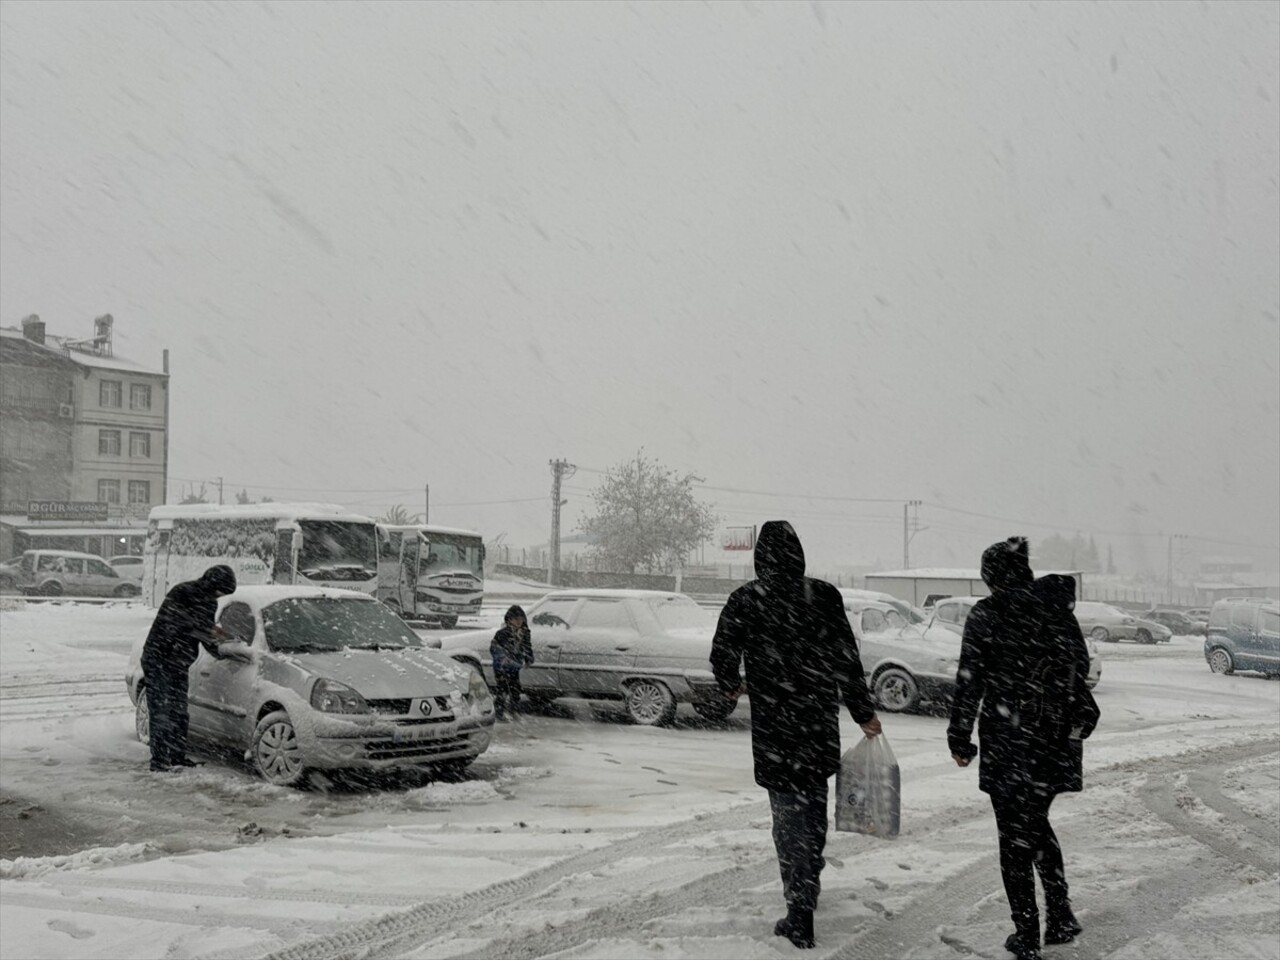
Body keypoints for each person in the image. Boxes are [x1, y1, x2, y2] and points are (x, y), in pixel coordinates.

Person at [710, 520, 882, 949]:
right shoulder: (823, 596)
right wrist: (863, 712)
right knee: (812, 810)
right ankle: (811, 880)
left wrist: (731, 684)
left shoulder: (746, 600)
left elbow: (722, 653)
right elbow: (847, 659)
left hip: (774, 727)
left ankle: (798, 907)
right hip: (817, 723)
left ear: (759, 557)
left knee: (786, 818)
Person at [947, 539, 1100, 960]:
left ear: (992, 576)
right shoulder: (1053, 610)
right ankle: (1061, 913)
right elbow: (1080, 668)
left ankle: (1028, 934)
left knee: (1014, 839)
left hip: (1008, 743)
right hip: (1053, 742)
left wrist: (960, 736)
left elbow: (969, 680)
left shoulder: (988, 614)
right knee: (1034, 826)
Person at [141, 564, 237, 772]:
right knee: (161, 711)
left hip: (178, 662)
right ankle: (159, 761)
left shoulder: (209, 602)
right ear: (211, 583)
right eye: (220, 590)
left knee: (179, 711)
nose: (220, 596)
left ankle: (176, 756)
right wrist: (211, 634)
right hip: (159, 658)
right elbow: (182, 625)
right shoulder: (182, 592)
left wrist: (223, 646)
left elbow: (203, 631)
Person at [490, 604, 533, 721]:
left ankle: (514, 711)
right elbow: (494, 647)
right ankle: (499, 714)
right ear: (509, 620)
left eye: (521, 619)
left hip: (514, 665)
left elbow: (527, 647)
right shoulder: (502, 633)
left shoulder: (525, 632)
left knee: (515, 689)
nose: (519, 621)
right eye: (515, 619)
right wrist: (502, 657)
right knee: (502, 690)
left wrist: (528, 659)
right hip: (501, 667)